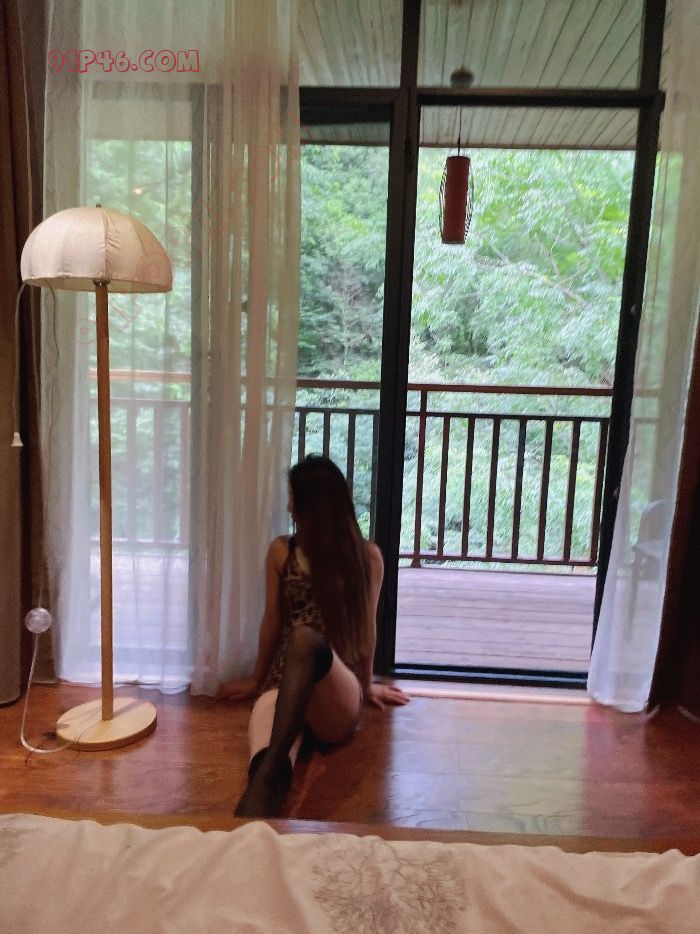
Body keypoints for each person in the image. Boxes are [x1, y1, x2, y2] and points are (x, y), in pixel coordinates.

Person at [218, 454, 409, 818]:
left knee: (305, 639)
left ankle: (272, 776)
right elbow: (272, 621)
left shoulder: (366, 557)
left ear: (312, 505)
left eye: (293, 497)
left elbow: (367, 628)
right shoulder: (281, 551)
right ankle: (257, 814)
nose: (289, 506)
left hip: (335, 688)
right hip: (283, 686)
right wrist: (256, 680)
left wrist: (367, 686)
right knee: (265, 769)